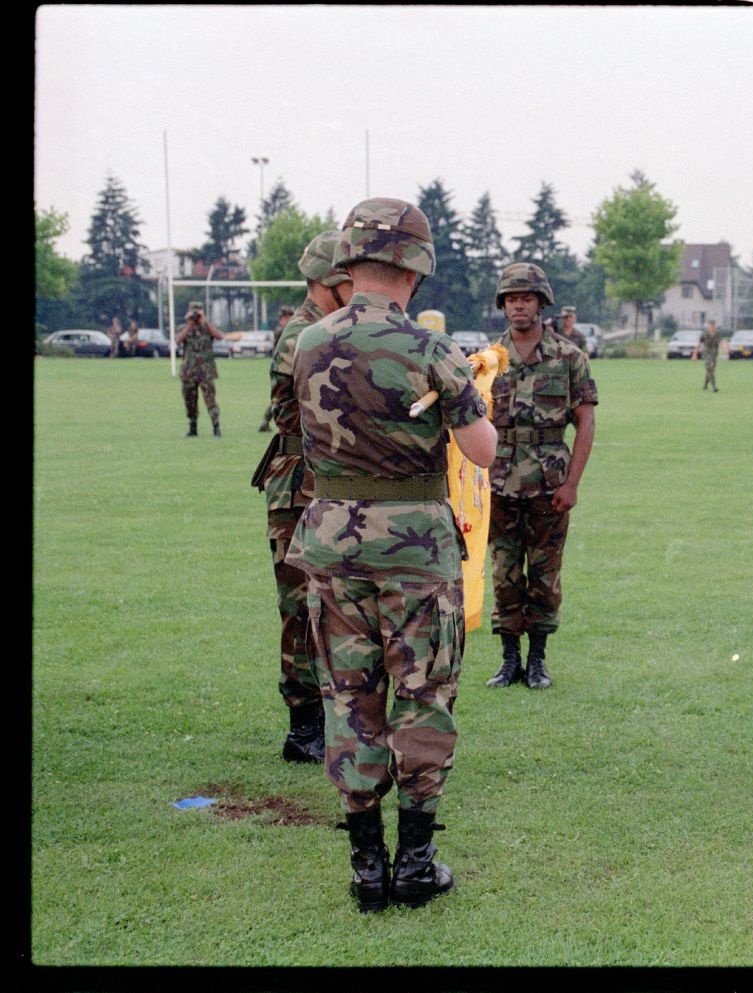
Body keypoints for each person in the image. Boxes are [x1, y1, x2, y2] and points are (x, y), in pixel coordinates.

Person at [287, 197, 496, 911]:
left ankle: (365, 866)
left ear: (350, 260)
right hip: (415, 546)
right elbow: (482, 450)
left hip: (331, 540)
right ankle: (415, 861)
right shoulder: (433, 349)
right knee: (422, 692)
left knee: (349, 695)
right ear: (416, 265)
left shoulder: (308, 341)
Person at [255, 230, 351, 765]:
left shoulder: (325, 329)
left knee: (329, 604)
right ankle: (304, 728)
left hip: (320, 480)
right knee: (299, 605)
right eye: (346, 281)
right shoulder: (305, 337)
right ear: (322, 282)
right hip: (299, 484)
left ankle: (324, 719)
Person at [484, 262, 599, 691]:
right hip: (498, 482)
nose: (519, 305)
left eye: (527, 298)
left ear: (541, 304)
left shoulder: (569, 357)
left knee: (546, 573)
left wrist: (572, 483)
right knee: (504, 571)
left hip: (550, 483)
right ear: (503, 304)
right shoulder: (488, 359)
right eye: (512, 298)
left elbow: (585, 423)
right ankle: (509, 659)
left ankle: (538, 660)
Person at [174, 301, 224, 437]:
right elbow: (177, 341)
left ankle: (216, 427)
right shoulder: (184, 327)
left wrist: (205, 322)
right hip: (189, 371)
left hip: (206, 372)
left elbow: (219, 336)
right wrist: (189, 325)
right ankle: (193, 427)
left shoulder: (207, 328)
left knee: (210, 399)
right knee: (189, 400)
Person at [259, 305, 299, 432]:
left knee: (279, 398)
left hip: (284, 368)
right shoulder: (282, 331)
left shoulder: (282, 330)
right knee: (279, 399)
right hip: (283, 369)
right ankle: (267, 421)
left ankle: (266, 422)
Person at [692, 319, 722, 392]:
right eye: (711, 325)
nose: (712, 327)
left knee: (710, 370)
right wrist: (694, 354)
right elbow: (698, 344)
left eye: (713, 325)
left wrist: (727, 348)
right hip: (706, 353)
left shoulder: (717, 333)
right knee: (710, 367)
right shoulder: (704, 333)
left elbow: (721, 341)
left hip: (714, 354)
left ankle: (705, 385)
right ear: (708, 326)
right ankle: (714, 386)